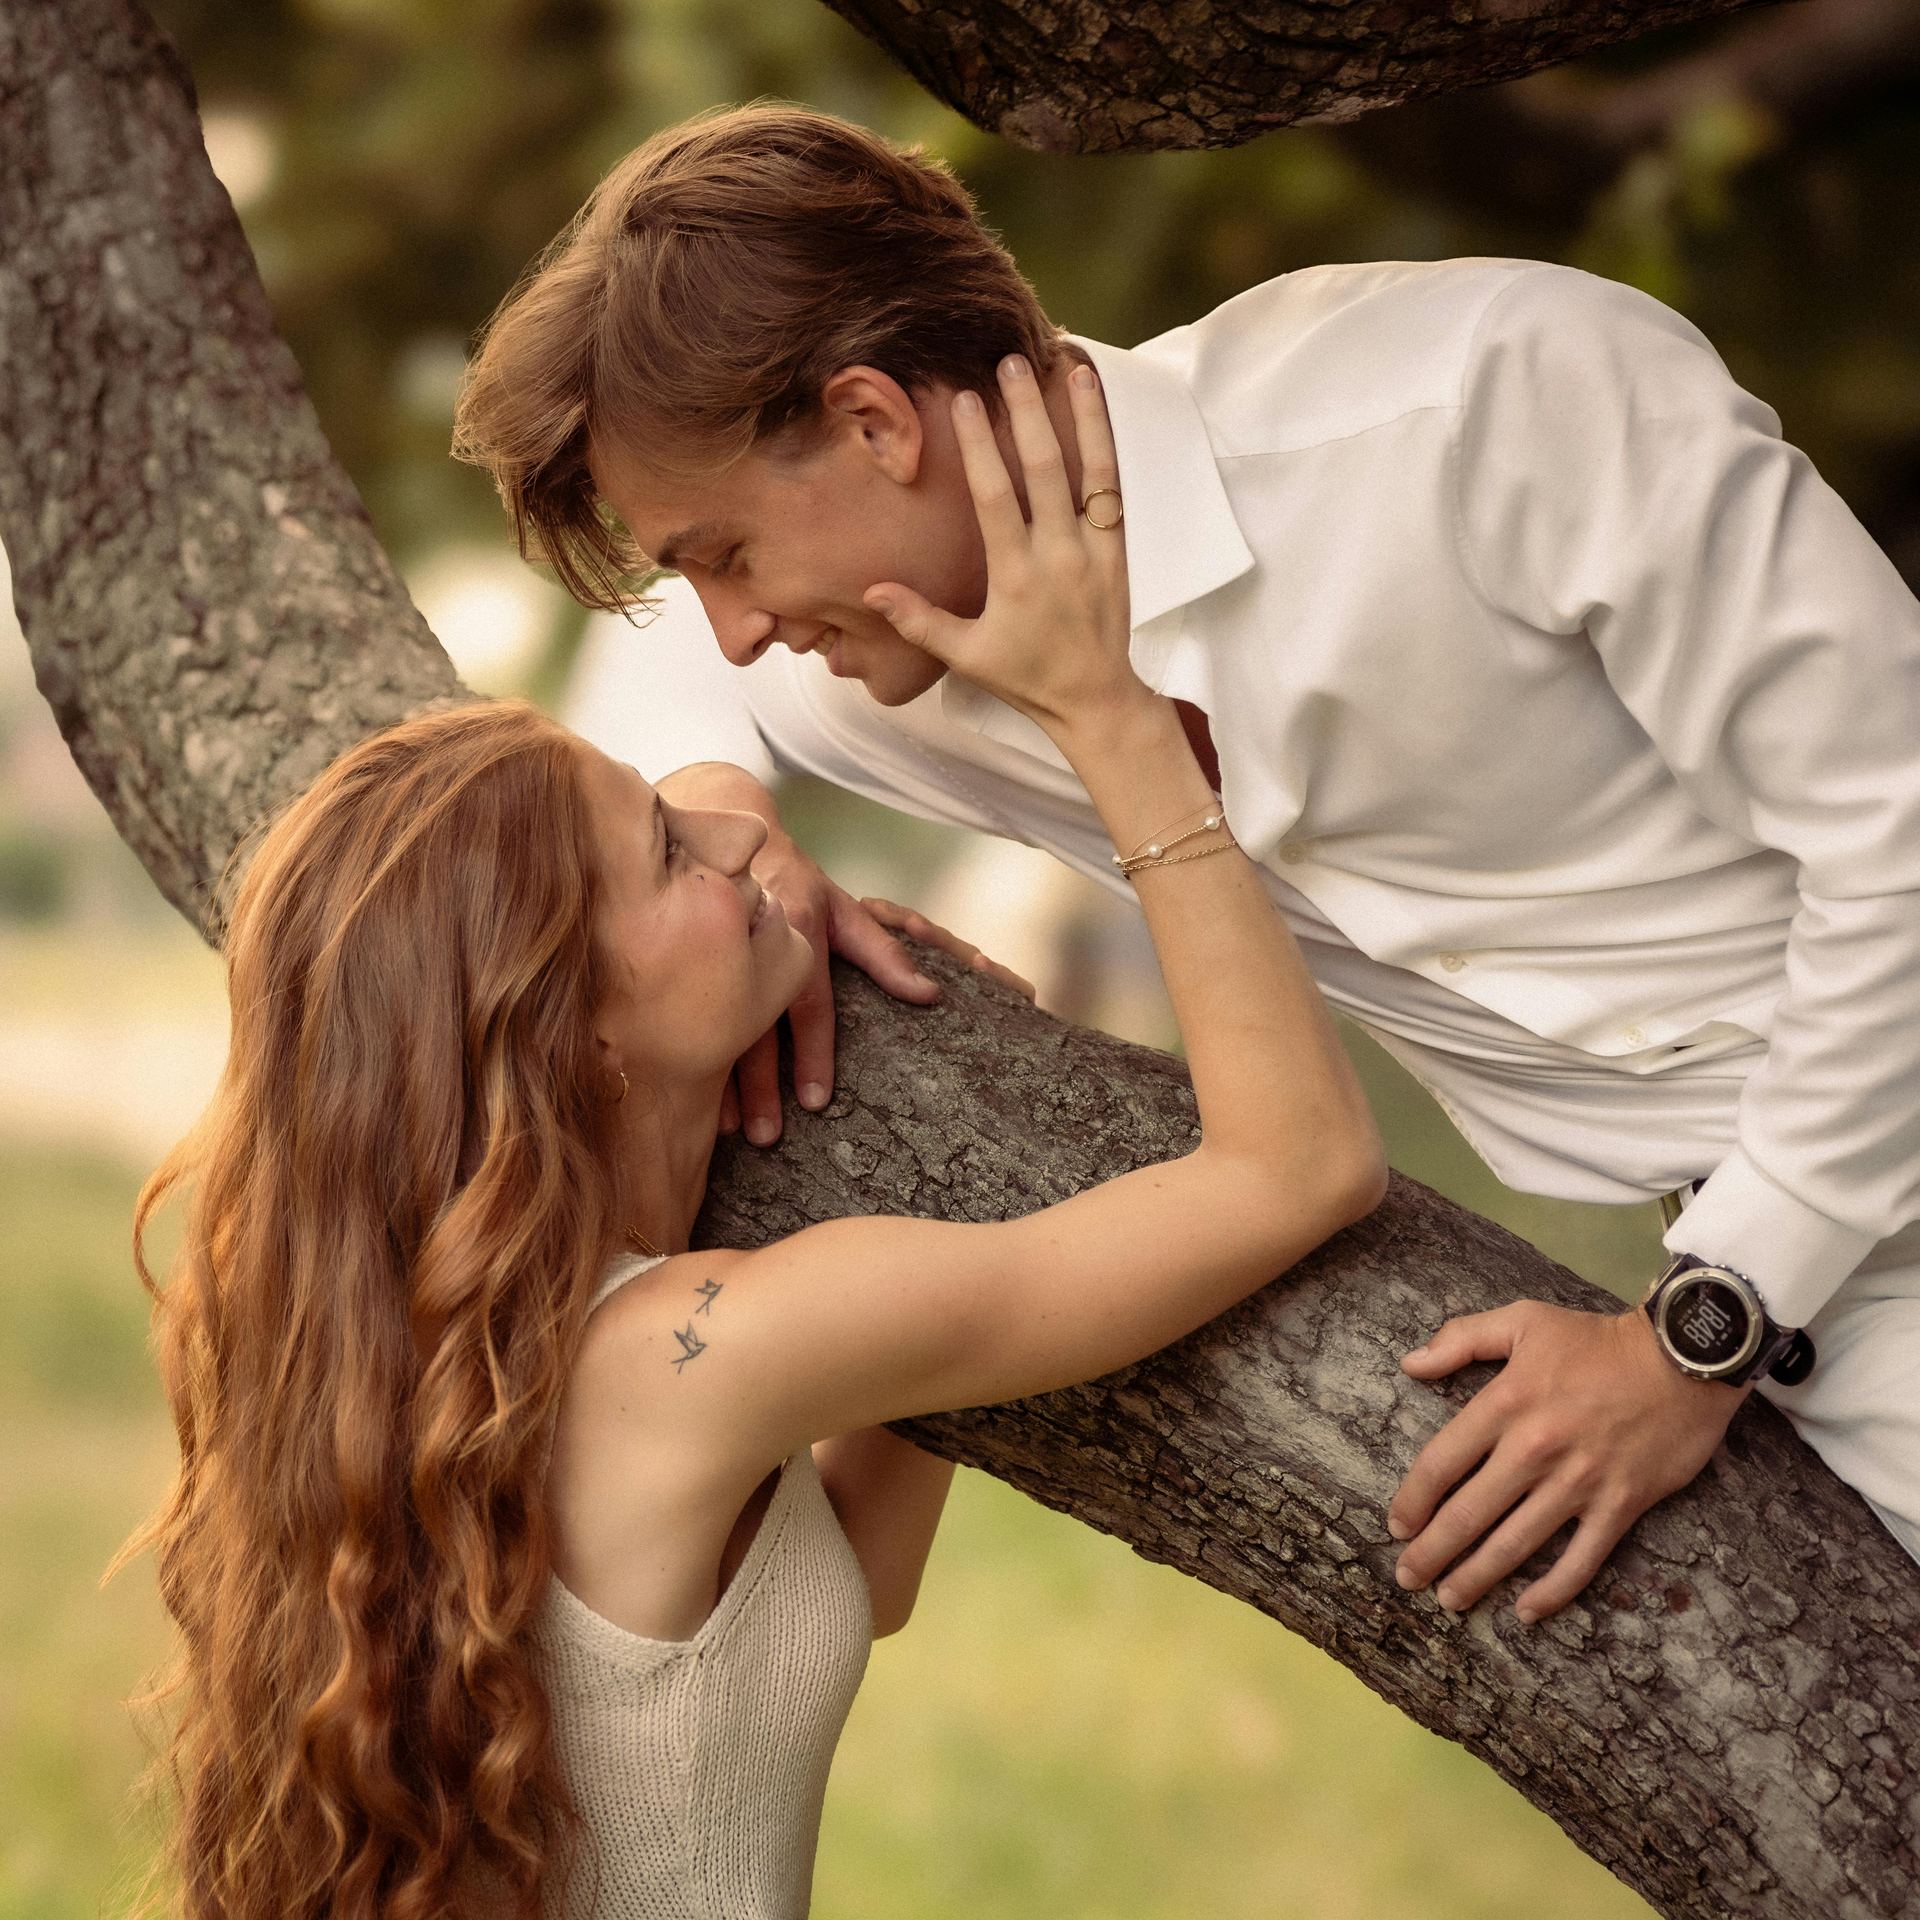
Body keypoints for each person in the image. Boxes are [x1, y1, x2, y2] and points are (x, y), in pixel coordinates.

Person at [451, 102, 1920, 1620]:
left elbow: (1905, 844)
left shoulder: (1490, 404)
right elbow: (662, 694)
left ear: (877, 427)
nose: (737, 627)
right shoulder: (892, 649)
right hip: (1843, 1339)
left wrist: (1701, 1329)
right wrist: (730, 829)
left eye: (723, 555)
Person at [120, 366, 1385, 1918]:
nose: (739, 829)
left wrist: (910, 1057)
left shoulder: (484, 1348)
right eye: (667, 845)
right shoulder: (689, 1355)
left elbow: (848, 1583)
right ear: (571, 1031)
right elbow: (1301, 1167)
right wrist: (1114, 721)